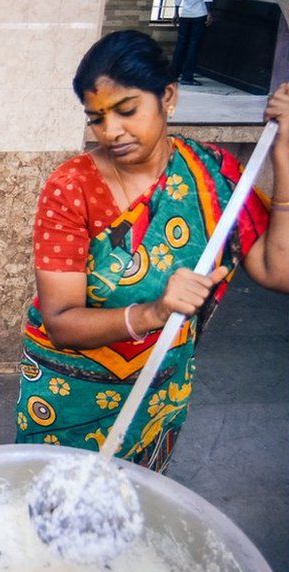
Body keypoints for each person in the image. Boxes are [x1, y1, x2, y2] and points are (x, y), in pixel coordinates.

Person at [16, 30, 289, 471]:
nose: (111, 132)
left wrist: (285, 155)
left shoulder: (212, 175)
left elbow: (280, 272)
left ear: (168, 97)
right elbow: (62, 322)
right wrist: (155, 312)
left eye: (127, 111)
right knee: (54, 508)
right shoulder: (71, 188)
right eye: (96, 118)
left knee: (131, 508)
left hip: (158, 385)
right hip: (69, 394)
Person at [172, 0, 213, 86]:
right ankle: (187, 77)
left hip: (185, 15)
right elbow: (207, 0)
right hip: (199, 15)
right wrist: (209, 13)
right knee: (193, 46)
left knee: (180, 45)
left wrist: (176, 12)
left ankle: (174, 74)